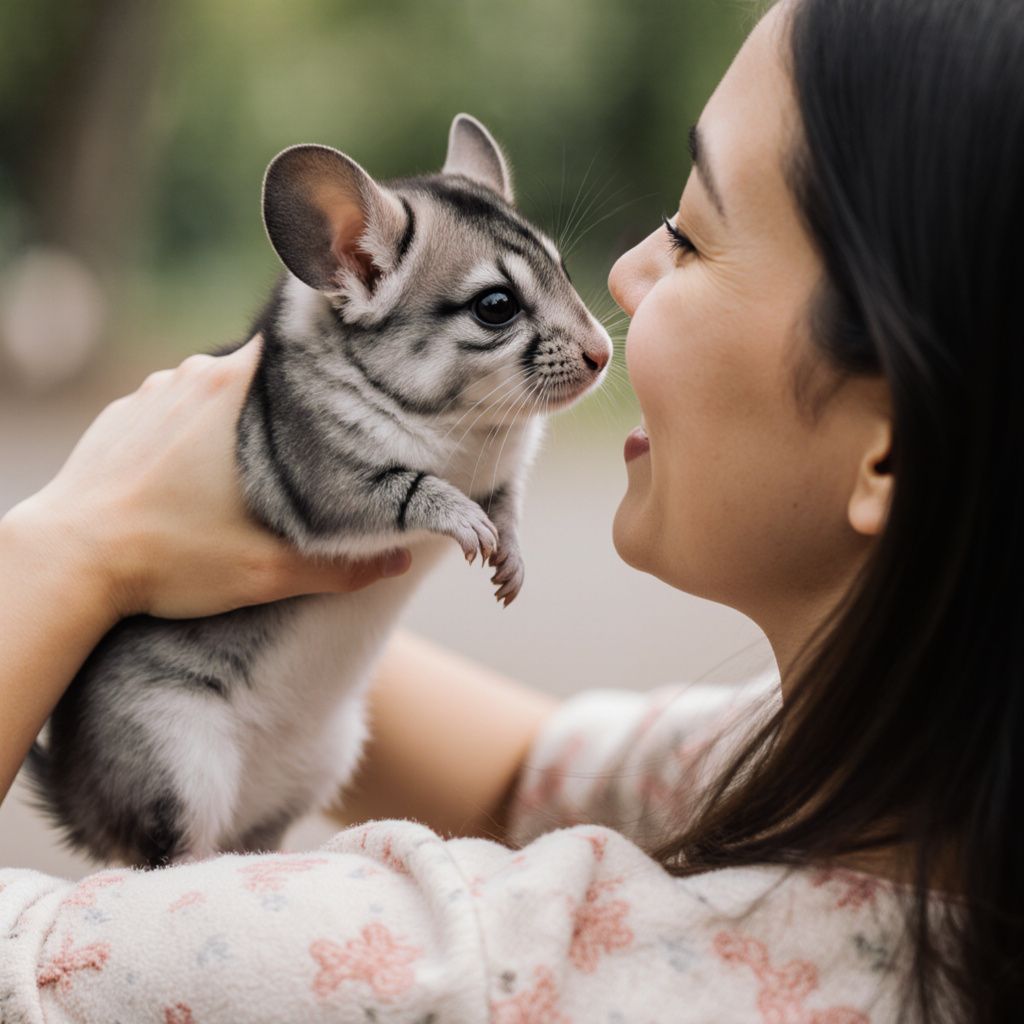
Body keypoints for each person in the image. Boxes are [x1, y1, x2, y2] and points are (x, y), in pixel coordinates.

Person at [1, 0, 1020, 1018]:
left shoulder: (448, 967)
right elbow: (519, 775)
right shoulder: (871, 769)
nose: (619, 278)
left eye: (693, 236)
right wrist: (226, 555)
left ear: (891, 453)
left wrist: (70, 551)